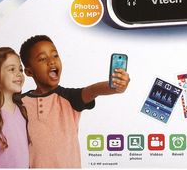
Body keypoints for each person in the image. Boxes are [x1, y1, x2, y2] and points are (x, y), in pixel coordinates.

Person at [19, 35, 130, 168]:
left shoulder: (70, 97)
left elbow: (93, 90)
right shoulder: (19, 103)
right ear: (29, 72)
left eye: (55, 55)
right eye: (42, 59)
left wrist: (115, 86)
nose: (52, 61)